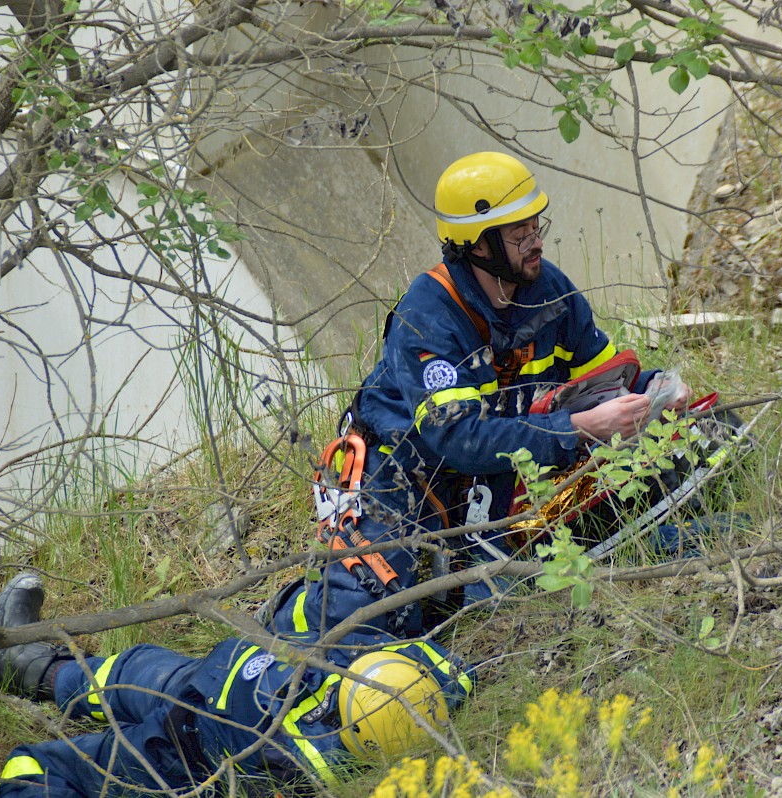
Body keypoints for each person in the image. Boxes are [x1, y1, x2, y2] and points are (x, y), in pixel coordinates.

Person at [266, 151, 692, 639]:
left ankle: (467, 576)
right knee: (379, 611)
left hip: (499, 462)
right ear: (479, 246)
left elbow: (604, 374)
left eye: (537, 226)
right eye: (520, 235)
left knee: (530, 575)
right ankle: (289, 619)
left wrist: (656, 390)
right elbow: (459, 438)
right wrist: (576, 428)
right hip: (399, 467)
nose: (537, 243)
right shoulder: (427, 316)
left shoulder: (549, 289)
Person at [0, 572, 475, 798]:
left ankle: (24, 674)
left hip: (174, 754)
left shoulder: (296, 756)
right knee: (128, 670)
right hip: (203, 680)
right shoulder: (404, 688)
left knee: (34, 766)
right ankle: (26, 666)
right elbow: (456, 675)